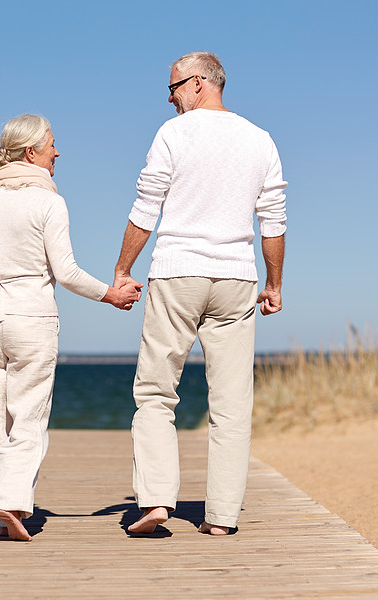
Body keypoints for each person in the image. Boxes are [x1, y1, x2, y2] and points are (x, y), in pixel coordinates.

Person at [113, 52, 287, 536]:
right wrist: (274, 283)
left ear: (199, 83)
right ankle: (222, 518)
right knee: (232, 403)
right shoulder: (261, 140)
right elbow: (272, 220)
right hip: (237, 278)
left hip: (178, 273)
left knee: (154, 392)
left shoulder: (174, 134)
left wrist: (123, 268)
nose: (169, 98)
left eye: (172, 88)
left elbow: (146, 205)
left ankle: (154, 499)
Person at [0, 114, 141, 541]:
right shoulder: (49, 202)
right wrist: (112, 295)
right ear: (31, 152)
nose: (58, 152)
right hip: (30, 318)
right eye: (52, 144)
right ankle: (10, 499)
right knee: (28, 417)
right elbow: (68, 272)